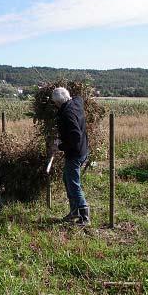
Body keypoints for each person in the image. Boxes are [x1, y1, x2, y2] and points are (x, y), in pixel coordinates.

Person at [51, 87, 90, 226]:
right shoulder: (77, 102)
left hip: (75, 153)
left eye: (55, 102)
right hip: (83, 149)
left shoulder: (67, 114)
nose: (54, 105)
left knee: (73, 184)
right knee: (67, 180)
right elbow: (79, 96)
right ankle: (74, 211)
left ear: (58, 102)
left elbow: (75, 138)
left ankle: (84, 216)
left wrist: (59, 146)